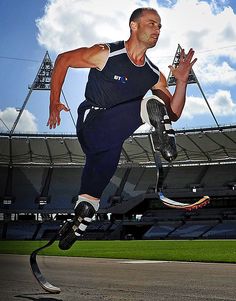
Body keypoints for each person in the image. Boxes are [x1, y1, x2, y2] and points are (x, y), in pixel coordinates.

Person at [47, 7, 197, 249]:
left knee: (90, 197)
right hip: (93, 123)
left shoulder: (152, 74)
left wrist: (181, 83)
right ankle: (151, 117)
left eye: (160, 26)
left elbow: (174, 113)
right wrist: (54, 101)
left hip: (112, 142)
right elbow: (63, 59)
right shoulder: (106, 53)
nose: (157, 29)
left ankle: (77, 221)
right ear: (133, 26)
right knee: (151, 106)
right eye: (152, 23)